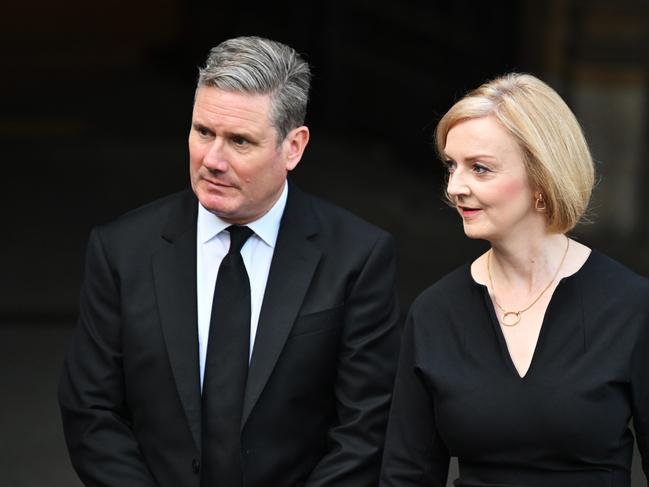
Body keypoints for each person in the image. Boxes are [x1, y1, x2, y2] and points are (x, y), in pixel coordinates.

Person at [59, 36, 400, 487]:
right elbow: (91, 411)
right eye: (203, 132)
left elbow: (364, 431)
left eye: (240, 141)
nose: (212, 160)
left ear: (293, 147)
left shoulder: (357, 257)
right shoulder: (121, 250)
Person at [380, 73, 649, 486]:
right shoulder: (435, 312)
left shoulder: (631, 305)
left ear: (542, 178)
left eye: (480, 169)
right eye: (452, 166)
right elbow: (407, 474)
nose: (455, 187)